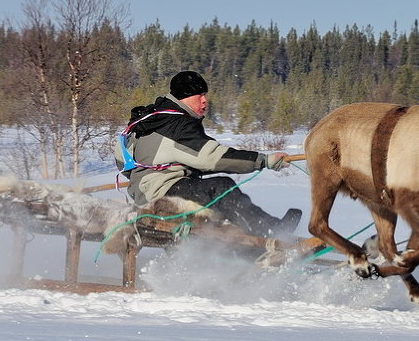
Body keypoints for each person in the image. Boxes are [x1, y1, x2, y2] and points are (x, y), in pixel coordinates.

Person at [119, 70, 302, 238]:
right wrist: (264, 160)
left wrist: (142, 179)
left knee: (206, 192)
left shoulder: (149, 118)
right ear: (184, 97)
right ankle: (270, 231)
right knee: (221, 188)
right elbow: (212, 158)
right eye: (200, 95)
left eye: (205, 95)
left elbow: (121, 158)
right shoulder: (178, 125)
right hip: (161, 197)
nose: (205, 100)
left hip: (145, 195)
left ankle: (239, 249)